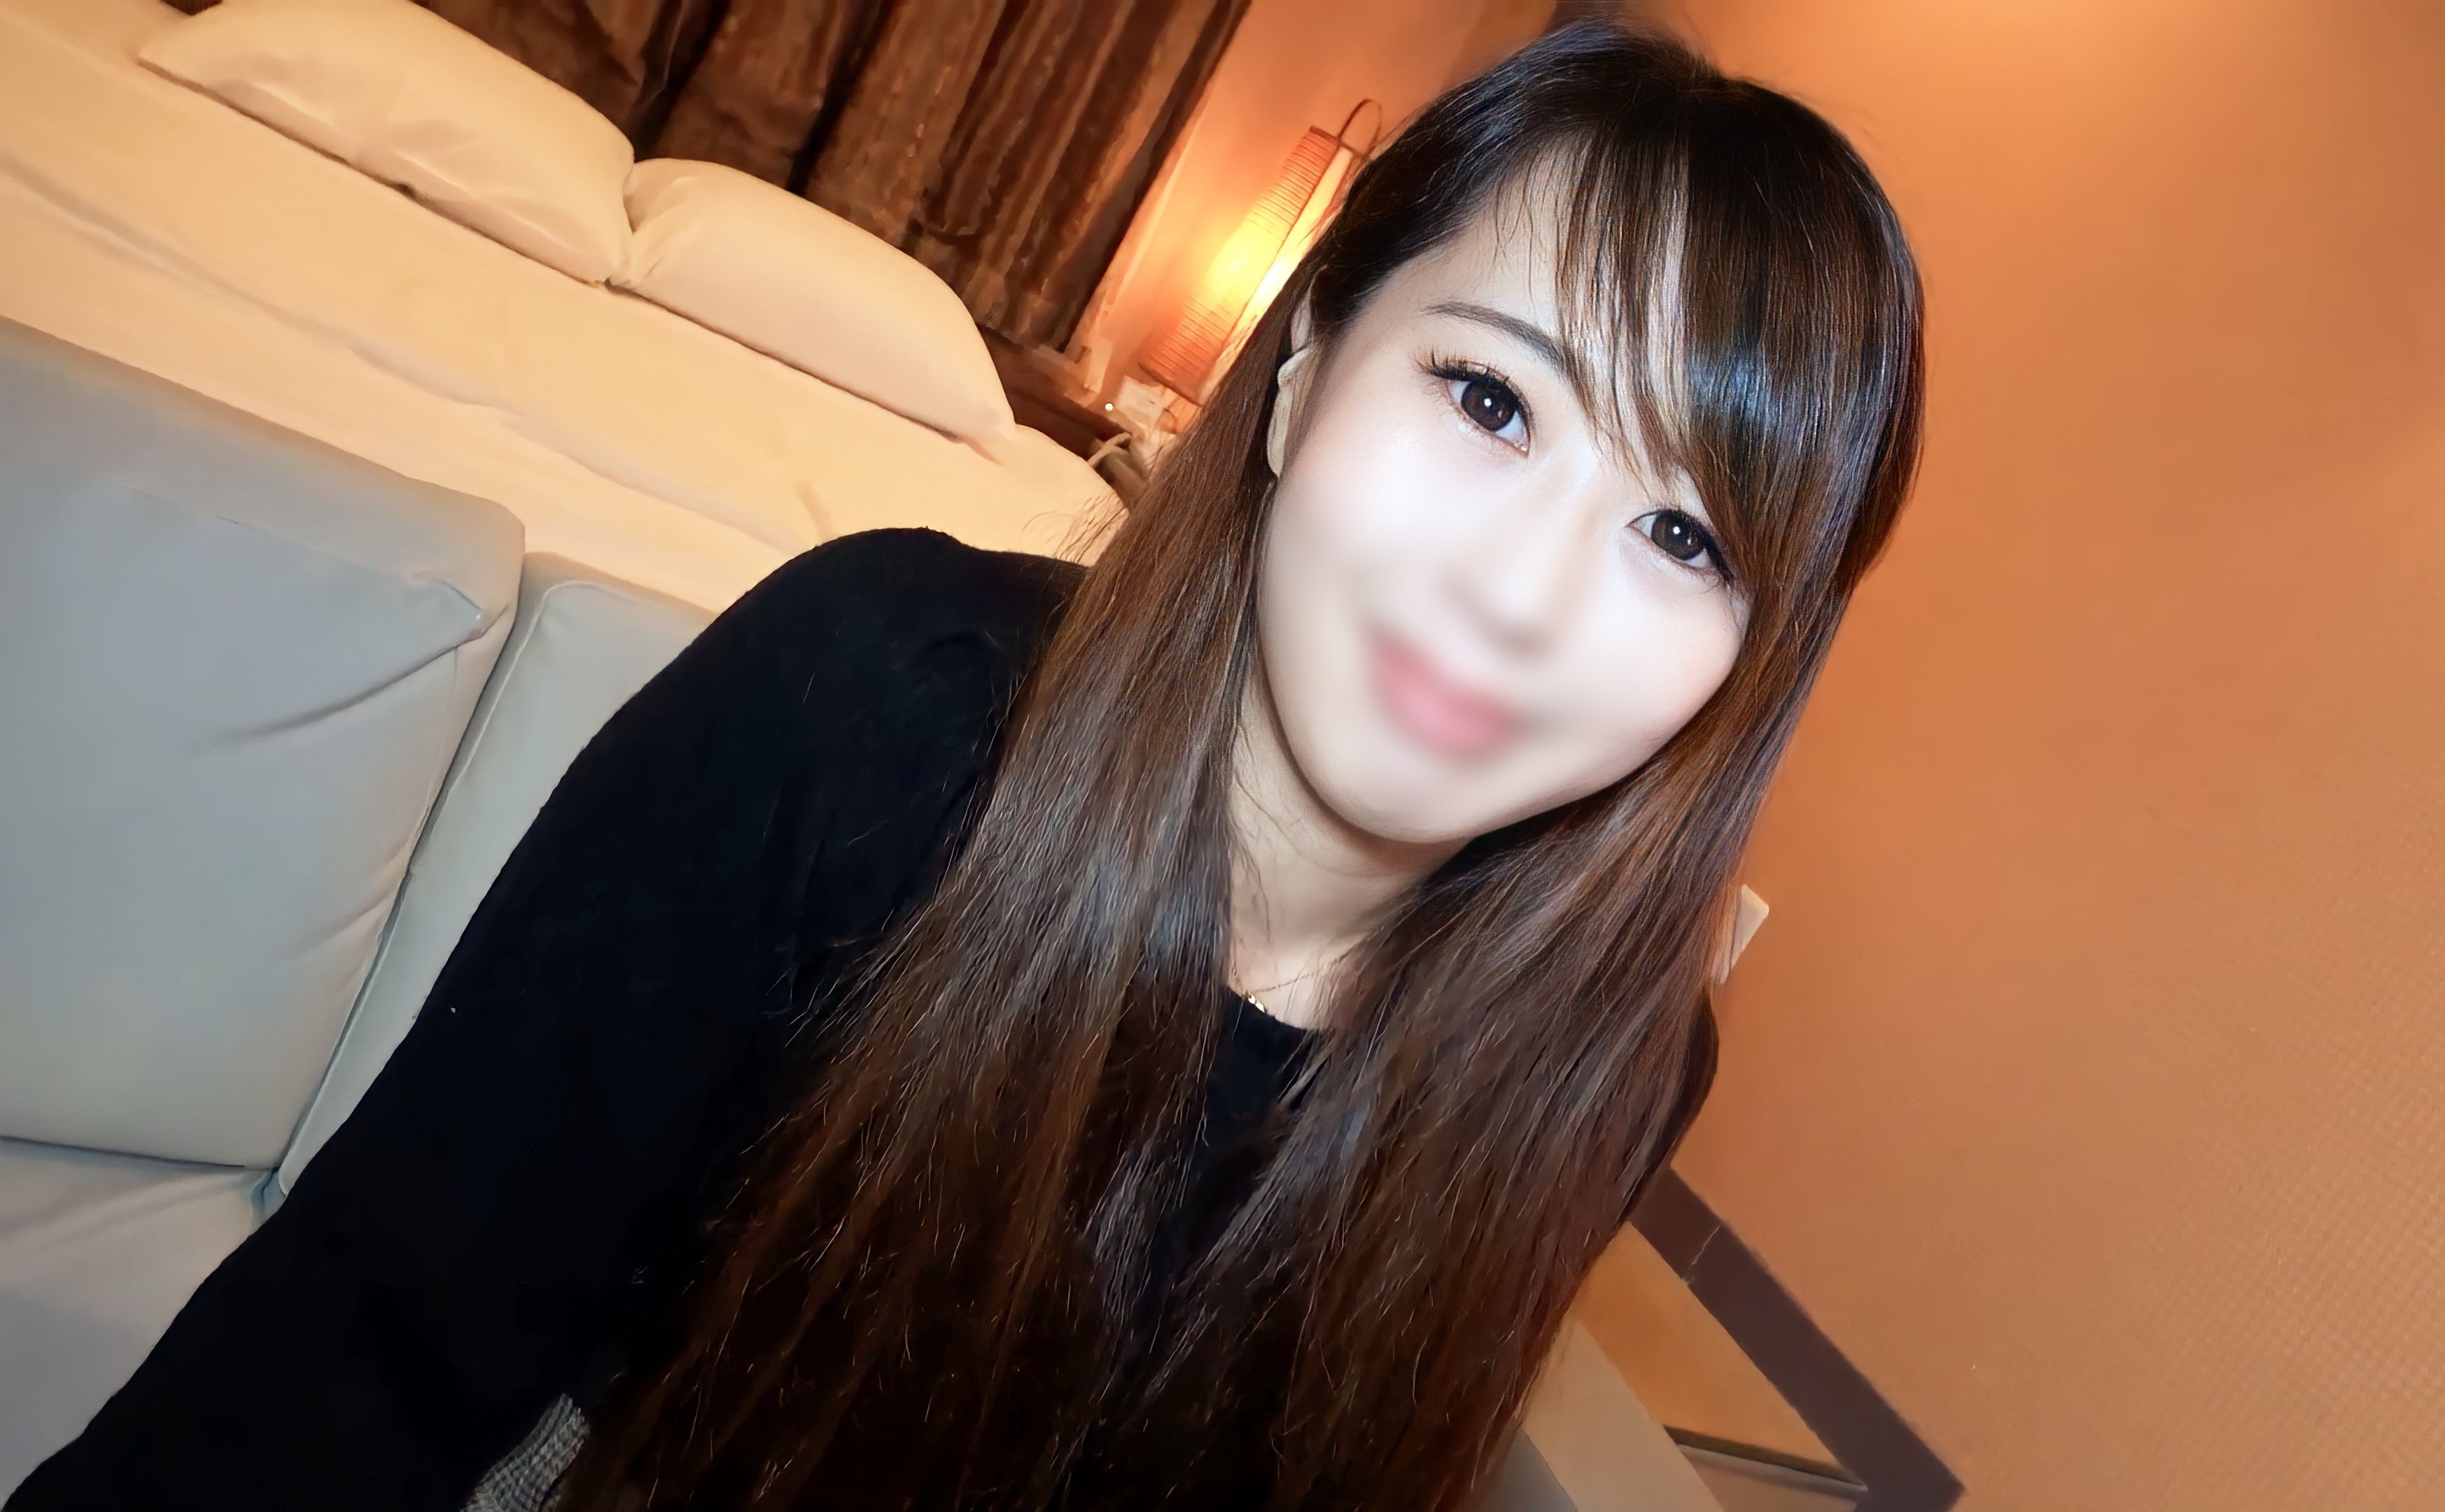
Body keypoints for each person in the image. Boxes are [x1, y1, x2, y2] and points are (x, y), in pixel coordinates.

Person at [8, 20, 1924, 1512]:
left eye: (1685, 537)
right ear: (1302, 371)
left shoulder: (1616, 1061)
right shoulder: (873, 708)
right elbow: (355, 1356)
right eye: (1490, 398)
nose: (1519, 598)